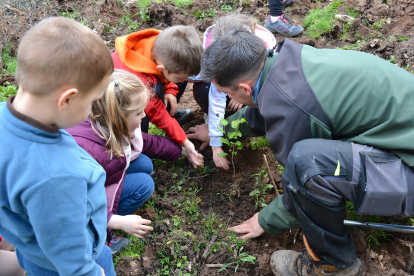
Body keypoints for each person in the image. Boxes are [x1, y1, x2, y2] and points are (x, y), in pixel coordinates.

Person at [200, 28, 414, 276]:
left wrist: (265, 220)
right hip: (402, 139)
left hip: (408, 168)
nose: (227, 97)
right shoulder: (288, 61)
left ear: (244, 89)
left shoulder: (293, 106)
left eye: (227, 93)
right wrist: (221, 130)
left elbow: (302, 180)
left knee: (306, 161)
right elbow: (270, 106)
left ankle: (332, 265)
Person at [0, 17, 116, 276]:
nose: (91, 112)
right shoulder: (55, 177)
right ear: (67, 99)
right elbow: (72, 261)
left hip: (32, 252)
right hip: (67, 265)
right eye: (93, 101)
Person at [67, 69, 203, 255]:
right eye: (139, 113)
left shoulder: (108, 124)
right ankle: (99, 235)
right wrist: (117, 221)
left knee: (144, 164)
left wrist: (181, 150)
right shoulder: (89, 155)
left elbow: (146, 142)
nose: (144, 117)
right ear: (119, 117)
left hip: (103, 174)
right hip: (81, 207)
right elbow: (77, 203)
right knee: (144, 185)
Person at [112, 26, 204, 169]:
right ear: (162, 69)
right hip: (123, 106)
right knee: (141, 116)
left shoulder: (162, 45)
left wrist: (171, 90)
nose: (188, 80)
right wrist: (184, 140)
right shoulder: (141, 83)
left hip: (152, 83)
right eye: (180, 77)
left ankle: (172, 113)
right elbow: (156, 112)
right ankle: (137, 145)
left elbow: (163, 76)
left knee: (179, 81)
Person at [192, 14, 274, 170]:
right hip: (237, 82)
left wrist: (241, 95)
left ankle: (248, 111)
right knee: (203, 89)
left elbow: (263, 81)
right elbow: (216, 97)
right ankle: (220, 119)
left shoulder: (266, 47)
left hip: (248, 85)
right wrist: (216, 145)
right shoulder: (216, 55)